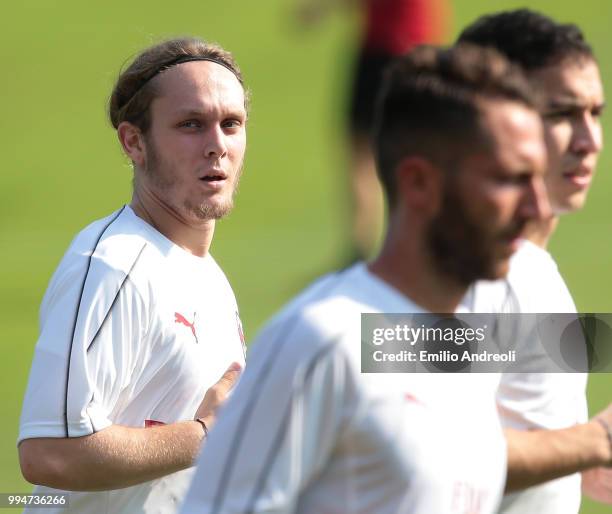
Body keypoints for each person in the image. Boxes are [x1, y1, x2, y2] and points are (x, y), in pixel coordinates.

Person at [179, 43, 552, 514]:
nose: (538, 209)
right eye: (508, 179)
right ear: (418, 184)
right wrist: (597, 440)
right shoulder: (322, 342)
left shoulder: (449, 339)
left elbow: (562, 345)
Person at [17, 37, 248, 514]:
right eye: (191, 125)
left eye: (231, 124)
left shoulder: (204, 273)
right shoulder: (113, 266)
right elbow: (48, 453)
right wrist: (204, 435)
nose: (217, 146)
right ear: (134, 141)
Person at [458, 10, 607, 512]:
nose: (590, 141)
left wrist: (573, 460)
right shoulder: (472, 273)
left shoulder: (531, 267)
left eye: (596, 113)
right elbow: (431, 451)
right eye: (562, 114)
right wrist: (595, 440)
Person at [295, 0, 451, 260]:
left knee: (364, 152)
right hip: (421, 48)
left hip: (385, 52)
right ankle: (417, 242)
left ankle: (365, 249)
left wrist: (319, 9)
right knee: (416, 151)